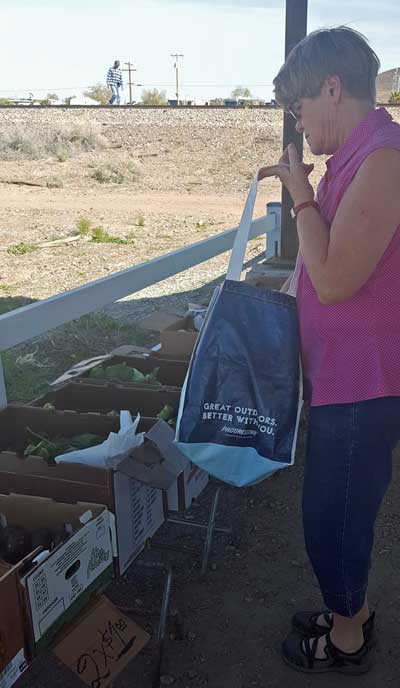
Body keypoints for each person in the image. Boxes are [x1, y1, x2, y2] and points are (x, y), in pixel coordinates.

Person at [258, 26, 400, 675]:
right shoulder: (357, 157)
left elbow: (338, 280)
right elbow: (324, 265)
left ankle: (347, 640)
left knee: (334, 516)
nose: (299, 122)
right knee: (334, 509)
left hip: (365, 381)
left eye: (300, 107)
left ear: (333, 88)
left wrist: (301, 194)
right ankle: (353, 610)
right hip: (345, 377)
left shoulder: (385, 159)